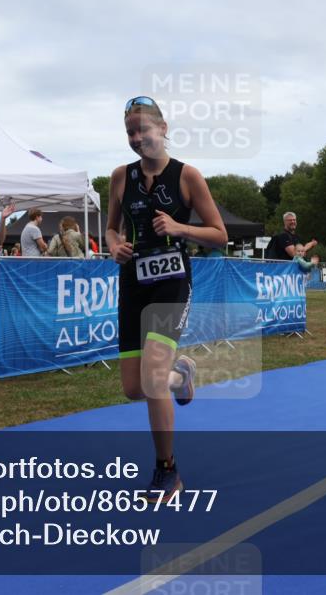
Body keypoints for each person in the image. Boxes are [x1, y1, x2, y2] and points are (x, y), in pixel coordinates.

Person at [107, 96, 227, 501]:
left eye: (144, 129)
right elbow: (111, 229)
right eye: (130, 132)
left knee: (153, 378)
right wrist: (114, 245)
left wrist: (181, 227)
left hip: (171, 281)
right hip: (132, 282)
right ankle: (182, 377)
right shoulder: (120, 178)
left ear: (163, 128)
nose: (137, 137)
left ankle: (167, 471)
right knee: (134, 388)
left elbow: (220, 234)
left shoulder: (187, 176)